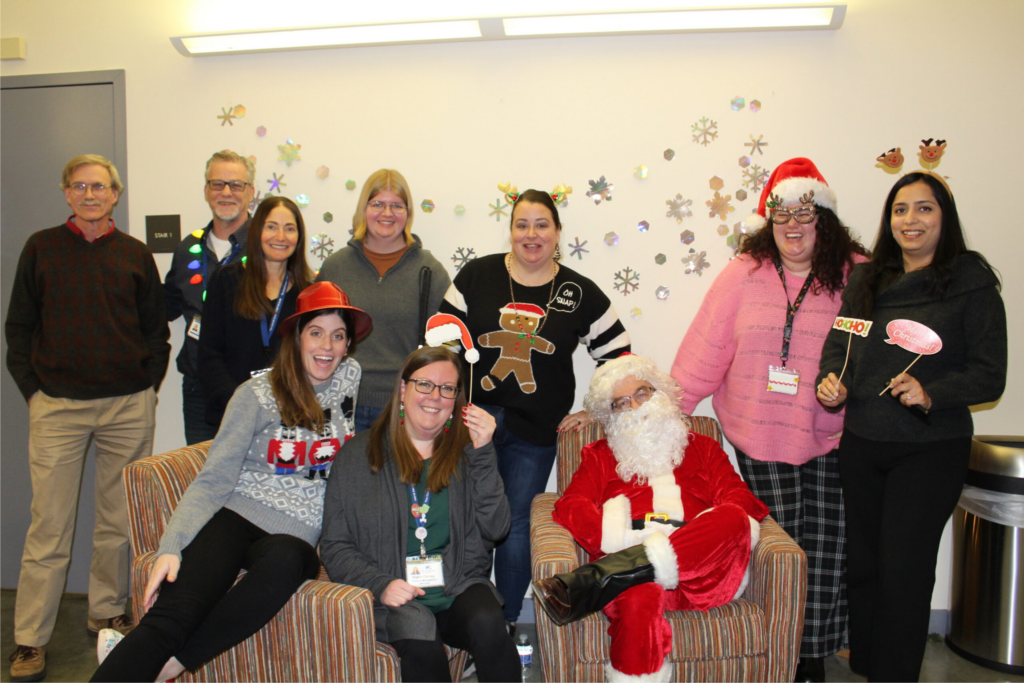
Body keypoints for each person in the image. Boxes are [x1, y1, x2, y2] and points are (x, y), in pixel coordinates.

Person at [90, 282, 371, 682]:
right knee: (172, 617)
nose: (327, 345)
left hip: (293, 538)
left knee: (291, 559)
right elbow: (214, 478)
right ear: (295, 336)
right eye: (316, 332)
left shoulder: (350, 379)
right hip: (235, 517)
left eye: (338, 335)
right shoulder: (256, 394)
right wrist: (171, 546)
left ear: (348, 346)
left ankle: (174, 664)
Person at [670, 157, 868, 682]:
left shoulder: (857, 276)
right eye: (781, 215)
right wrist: (665, 412)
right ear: (768, 220)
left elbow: (873, 345)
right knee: (781, 553)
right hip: (759, 435)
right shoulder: (742, 274)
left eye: (805, 214)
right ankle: (779, 648)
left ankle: (810, 657)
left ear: (824, 220)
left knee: (826, 554)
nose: (793, 226)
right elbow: (706, 349)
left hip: (830, 436)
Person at [816, 172, 1006, 682]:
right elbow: (842, 346)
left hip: (929, 449)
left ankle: (895, 674)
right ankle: (870, 667)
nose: (911, 220)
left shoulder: (970, 281)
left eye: (924, 209)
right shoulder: (867, 280)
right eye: (901, 210)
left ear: (945, 217)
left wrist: (933, 394)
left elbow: (991, 372)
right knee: (864, 567)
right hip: (862, 444)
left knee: (903, 572)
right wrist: (829, 382)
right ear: (889, 219)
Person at [5, 154, 171, 682]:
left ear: (115, 194)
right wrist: (35, 393)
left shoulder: (135, 254)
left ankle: (105, 611)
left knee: (116, 520)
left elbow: (155, 332)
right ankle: (30, 638)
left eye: (100, 186)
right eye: (80, 186)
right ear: (67, 193)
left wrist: (147, 386)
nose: (91, 194)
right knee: (49, 525)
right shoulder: (41, 248)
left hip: (126, 405)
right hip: (57, 406)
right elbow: (19, 330)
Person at [438, 188, 631, 626]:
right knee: (463, 518)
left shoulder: (577, 291)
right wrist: (449, 404)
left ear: (557, 232)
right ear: (510, 231)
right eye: (521, 224)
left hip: (534, 432)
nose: (531, 234)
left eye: (541, 224)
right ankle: (458, 616)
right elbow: (441, 342)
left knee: (515, 526)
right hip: (473, 422)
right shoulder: (476, 275)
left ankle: (502, 621)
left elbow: (618, 354)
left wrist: (594, 409)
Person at [532, 354, 769, 682]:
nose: (635, 406)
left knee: (733, 516)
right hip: (635, 570)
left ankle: (603, 577)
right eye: (621, 403)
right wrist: (615, 538)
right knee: (638, 596)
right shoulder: (600, 454)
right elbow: (570, 505)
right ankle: (630, 569)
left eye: (642, 393)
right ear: (610, 414)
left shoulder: (704, 448)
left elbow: (742, 501)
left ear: (661, 393)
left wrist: (694, 534)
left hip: (701, 575)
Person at [320, 346, 520, 683]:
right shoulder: (358, 456)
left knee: (489, 623)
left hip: (456, 586)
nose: (435, 397)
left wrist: (485, 452)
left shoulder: (468, 452)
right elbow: (335, 545)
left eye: (447, 389)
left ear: (457, 399)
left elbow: (496, 529)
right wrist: (380, 585)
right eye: (424, 384)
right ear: (403, 389)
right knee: (419, 634)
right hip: (395, 598)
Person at [317, 169, 449, 432]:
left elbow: (446, 350)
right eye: (377, 204)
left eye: (396, 205)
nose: (387, 213)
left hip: (402, 408)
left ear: (408, 212)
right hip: (339, 403)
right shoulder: (335, 268)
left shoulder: (430, 271)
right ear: (363, 209)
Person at [198, 195, 313, 430]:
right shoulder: (226, 281)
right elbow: (209, 354)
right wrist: (240, 403)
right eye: (271, 227)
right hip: (232, 414)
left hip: (290, 418)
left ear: (299, 238)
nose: (280, 237)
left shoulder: (308, 293)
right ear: (256, 231)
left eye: (289, 229)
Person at [165, 150, 253, 445]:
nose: (226, 192)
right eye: (217, 184)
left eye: (236, 185)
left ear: (250, 192)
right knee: (203, 475)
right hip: (199, 388)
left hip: (253, 387)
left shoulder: (268, 246)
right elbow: (167, 306)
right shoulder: (187, 248)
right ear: (206, 191)